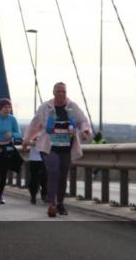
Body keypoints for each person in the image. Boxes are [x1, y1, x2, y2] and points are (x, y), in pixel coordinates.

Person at [24, 83, 93, 218]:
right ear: (53, 92)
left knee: (62, 176)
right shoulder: (45, 107)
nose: (61, 94)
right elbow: (35, 124)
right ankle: (52, 204)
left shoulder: (72, 107)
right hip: (50, 147)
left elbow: (83, 120)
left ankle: (60, 202)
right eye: (58, 91)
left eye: (63, 91)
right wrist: (27, 139)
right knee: (53, 172)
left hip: (66, 147)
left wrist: (85, 131)